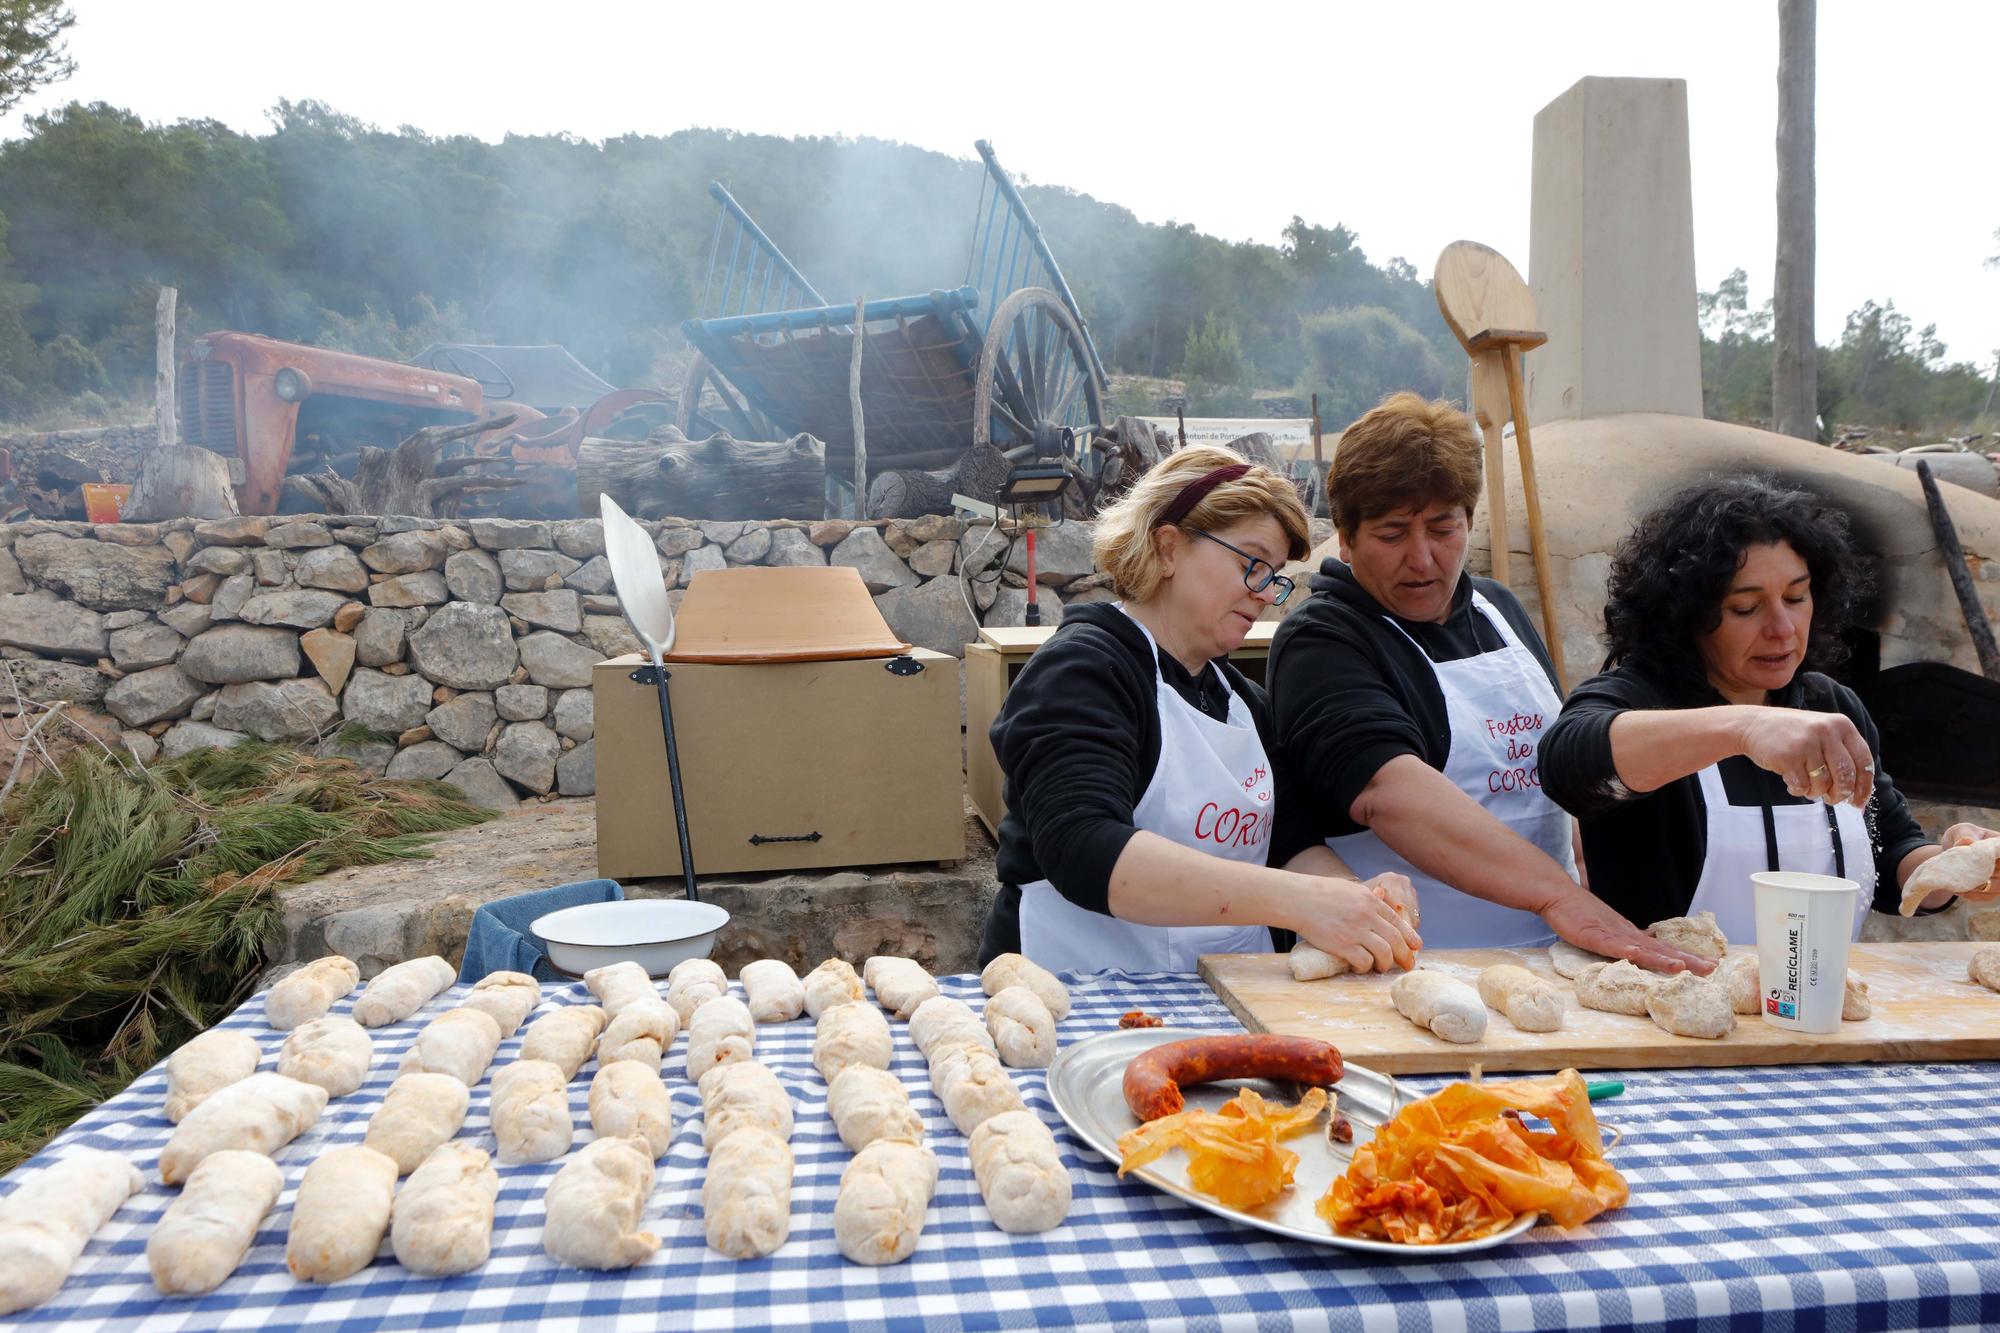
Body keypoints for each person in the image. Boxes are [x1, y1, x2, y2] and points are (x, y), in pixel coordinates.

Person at [1267, 393, 1705, 971]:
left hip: (1557, 957)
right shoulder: (1320, 639)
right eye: (1393, 534)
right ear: (1344, 539)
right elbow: (1390, 795)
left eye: (1443, 529)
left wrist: (1588, 895)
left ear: (1470, 522)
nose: (1423, 560)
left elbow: (1554, 788)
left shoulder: (1499, 609)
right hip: (1414, 970)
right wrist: (1558, 895)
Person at [978, 444, 1422, 975]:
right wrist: (1299, 901)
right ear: (1168, 547)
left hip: (1230, 1002)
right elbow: (1085, 849)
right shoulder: (1081, 673)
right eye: (1252, 564)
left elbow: (1291, 842)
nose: (1264, 594)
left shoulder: (1243, 704)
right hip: (1077, 997)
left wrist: (1355, 897)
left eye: (1275, 576)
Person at [1541, 473, 2000, 939]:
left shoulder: (1829, 704)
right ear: (1686, 615)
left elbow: (1890, 850)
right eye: (1746, 608)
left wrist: (1950, 866)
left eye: (1796, 597)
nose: (1782, 628)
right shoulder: (1637, 698)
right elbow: (1571, 763)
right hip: (1669, 998)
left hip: (1816, 998)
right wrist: (1744, 728)